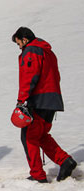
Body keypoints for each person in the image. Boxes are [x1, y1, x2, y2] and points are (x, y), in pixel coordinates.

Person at [11, 27, 77, 182]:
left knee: (29, 137)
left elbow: (29, 75)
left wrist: (21, 100)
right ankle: (65, 161)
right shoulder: (48, 52)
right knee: (41, 135)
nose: (20, 47)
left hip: (38, 100)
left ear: (25, 39)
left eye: (19, 43)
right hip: (52, 101)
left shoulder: (31, 51)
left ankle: (37, 175)